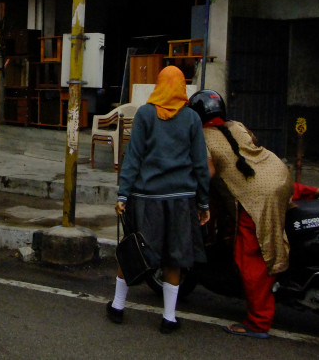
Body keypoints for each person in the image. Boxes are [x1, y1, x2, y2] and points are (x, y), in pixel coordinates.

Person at [106, 66, 211, 334]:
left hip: (146, 198)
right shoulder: (191, 119)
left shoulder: (145, 114)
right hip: (180, 200)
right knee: (173, 257)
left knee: (136, 250)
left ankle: (118, 306)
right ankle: (169, 318)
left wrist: (123, 194)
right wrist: (203, 203)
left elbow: (133, 157)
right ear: (181, 88)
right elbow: (200, 164)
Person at [188, 89, 294, 340]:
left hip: (257, 196)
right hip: (278, 174)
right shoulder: (237, 125)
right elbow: (251, 146)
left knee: (249, 257)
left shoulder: (202, 138)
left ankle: (258, 322)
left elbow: (207, 174)